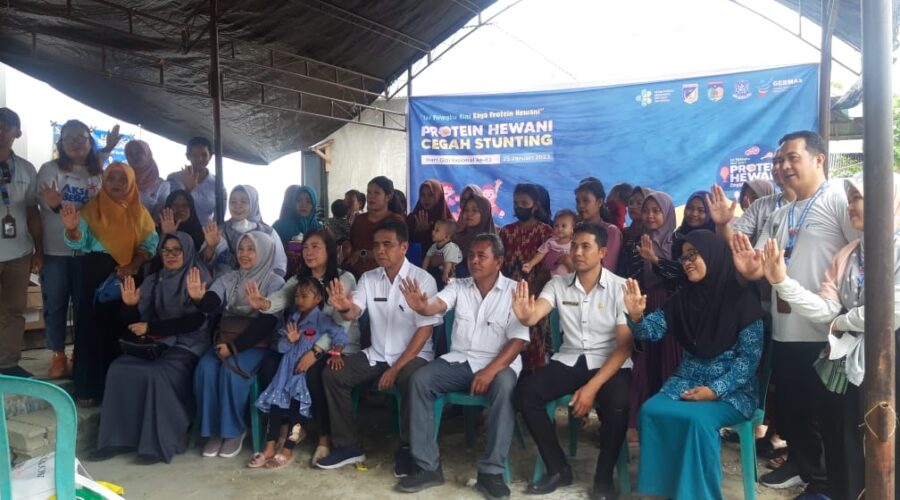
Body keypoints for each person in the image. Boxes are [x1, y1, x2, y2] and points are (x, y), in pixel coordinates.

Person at [729, 130, 858, 497]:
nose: (784, 166)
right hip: (786, 328)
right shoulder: (781, 213)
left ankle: (831, 485)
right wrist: (748, 266)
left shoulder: (838, 201)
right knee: (795, 410)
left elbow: (861, 255)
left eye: (792, 158)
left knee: (829, 417)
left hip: (826, 331)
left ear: (819, 159)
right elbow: (760, 265)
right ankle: (808, 473)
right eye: (779, 160)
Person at [758, 172, 900, 500]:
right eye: (850, 198)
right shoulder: (849, 254)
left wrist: (843, 321)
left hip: (891, 355)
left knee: (887, 439)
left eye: (858, 197)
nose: (851, 205)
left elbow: (891, 310)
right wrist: (782, 282)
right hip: (849, 361)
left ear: (887, 199)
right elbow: (825, 309)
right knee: (843, 437)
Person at [623, 230, 764, 500]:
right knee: (650, 410)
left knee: (698, 422)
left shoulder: (742, 299)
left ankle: (699, 495)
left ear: (713, 255)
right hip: (687, 382)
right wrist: (637, 317)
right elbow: (651, 331)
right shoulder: (682, 298)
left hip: (733, 390)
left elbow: (749, 359)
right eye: (684, 257)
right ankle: (663, 491)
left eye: (693, 254)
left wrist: (714, 390)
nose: (687, 262)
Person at [396, 233, 529, 499]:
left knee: (504, 386)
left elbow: (518, 342)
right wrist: (422, 306)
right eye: (471, 256)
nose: (474, 261)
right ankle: (427, 467)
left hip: (498, 364)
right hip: (460, 361)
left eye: (481, 256)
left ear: (498, 261)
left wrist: (489, 371)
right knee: (420, 380)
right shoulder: (458, 286)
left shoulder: (515, 292)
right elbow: (437, 304)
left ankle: (491, 472)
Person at [512, 223, 632, 499]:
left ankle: (603, 479)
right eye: (574, 246)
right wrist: (526, 315)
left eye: (585, 246)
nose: (577, 252)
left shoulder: (621, 287)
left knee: (618, 404)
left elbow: (624, 347)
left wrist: (591, 388)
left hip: (610, 363)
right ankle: (558, 468)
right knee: (526, 393)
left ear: (602, 252)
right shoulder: (558, 284)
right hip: (570, 359)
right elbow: (535, 313)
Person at [316, 220, 440, 475]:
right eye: (376, 245)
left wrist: (396, 369)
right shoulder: (369, 278)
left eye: (387, 244)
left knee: (411, 379)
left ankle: (409, 448)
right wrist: (344, 307)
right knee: (333, 374)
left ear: (404, 247)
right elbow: (355, 310)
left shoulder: (423, 280)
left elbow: (425, 330)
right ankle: (348, 446)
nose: (380, 250)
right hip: (378, 354)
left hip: (414, 356)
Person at [89, 232, 210, 464]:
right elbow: (136, 321)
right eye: (166, 250)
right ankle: (116, 440)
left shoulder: (197, 277)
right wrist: (130, 306)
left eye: (177, 250)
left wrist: (152, 327)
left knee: (157, 374)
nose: (171, 255)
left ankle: (157, 444)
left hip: (188, 345)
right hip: (156, 343)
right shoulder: (154, 279)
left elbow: (196, 321)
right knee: (118, 369)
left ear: (187, 251)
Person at [246, 228, 361, 464]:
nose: (309, 252)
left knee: (314, 373)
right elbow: (281, 297)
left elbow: (340, 324)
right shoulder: (299, 280)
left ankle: (324, 438)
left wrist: (315, 353)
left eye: (315, 247)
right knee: (270, 365)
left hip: (336, 348)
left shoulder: (343, 279)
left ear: (330, 250)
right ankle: (288, 429)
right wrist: (264, 303)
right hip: (299, 345)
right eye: (305, 247)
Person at [61, 162, 159, 406]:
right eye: (111, 178)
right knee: (91, 329)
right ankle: (88, 388)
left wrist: (133, 266)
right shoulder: (91, 210)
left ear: (131, 182)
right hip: (96, 274)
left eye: (122, 179)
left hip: (128, 276)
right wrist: (72, 230)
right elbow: (78, 242)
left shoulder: (140, 212)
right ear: (104, 181)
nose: (117, 183)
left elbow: (149, 245)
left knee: (122, 328)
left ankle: (116, 392)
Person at [190, 232, 285, 459]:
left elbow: (266, 324)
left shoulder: (275, 282)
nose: (244, 254)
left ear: (264, 252)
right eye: (241, 248)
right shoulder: (229, 278)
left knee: (232, 372)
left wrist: (233, 348)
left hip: (257, 344)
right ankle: (214, 430)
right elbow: (211, 301)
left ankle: (234, 429)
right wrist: (199, 299)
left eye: (251, 249)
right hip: (225, 339)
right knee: (205, 368)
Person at [251, 277, 349, 470]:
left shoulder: (322, 319)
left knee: (297, 413)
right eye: (296, 296)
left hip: (301, 376)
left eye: (305, 296)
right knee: (276, 407)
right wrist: (290, 340)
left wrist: (336, 353)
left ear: (318, 298)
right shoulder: (293, 319)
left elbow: (340, 335)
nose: (299, 300)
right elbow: (281, 347)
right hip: (284, 373)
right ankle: (269, 447)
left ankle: (288, 449)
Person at [37, 119, 108, 379]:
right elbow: (46, 204)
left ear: (90, 142)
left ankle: (81, 352)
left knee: (84, 306)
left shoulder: (98, 174)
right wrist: (57, 205)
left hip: (88, 252)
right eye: (69, 138)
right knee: (55, 303)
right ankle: (58, 354)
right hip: (56, 251)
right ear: (61, 143)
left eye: (82, 138)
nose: (76, 143)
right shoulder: (50, 169)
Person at [617, 191, 681, 434]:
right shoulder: (635, 242)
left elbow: (681, 276)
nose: (650, 215)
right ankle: (641, 422)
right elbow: (626, 274)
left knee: (669, 359)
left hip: (671, 308)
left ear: (667, 213)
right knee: (644, 360)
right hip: (642, 305)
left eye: (656, 211)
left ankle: (670, 421)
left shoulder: (679, 242)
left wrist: (655, 260)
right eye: (646, 210)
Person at [0, 107, 41, 378]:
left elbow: (32, 212)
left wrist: (39, 250)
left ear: (18, 132)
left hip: (19, 252)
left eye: (7, 127)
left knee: (13, 310)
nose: (1, 131)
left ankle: (7, 363)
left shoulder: (26, 169)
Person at [500, 183, 554, 373]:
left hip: (535, 298)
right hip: (508, 296)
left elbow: (548, 267)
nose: (519, 207)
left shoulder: (546, 232)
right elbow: (500, 264)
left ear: (536, 205)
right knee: (509, 342)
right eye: (516, 203)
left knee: (534, 343)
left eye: (524, 203)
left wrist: (533, 291)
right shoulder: (506, 231)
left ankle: (532, 385)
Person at [202, 185, 288, 277]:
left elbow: (279, 266)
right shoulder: (218, 231)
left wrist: (263, 281)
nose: (237, 206)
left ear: (253, 203)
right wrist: (210, 247)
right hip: (224, 283)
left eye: (243, 202)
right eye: (233, 202)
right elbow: (204, 264)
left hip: (259, 284)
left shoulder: (268, 232)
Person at [638, 191, 715, 287]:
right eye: (689, 208)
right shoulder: (678, 236)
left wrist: (655, 259)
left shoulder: (714, 241)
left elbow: (684, 272)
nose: (694, 213)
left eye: (701, 210)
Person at [347, 176, 406, 277]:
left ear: (388, 197)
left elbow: (394, 250)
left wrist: (363, 253)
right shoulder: (359, 219)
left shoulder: (395, 220)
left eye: (377, 193)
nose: (371, 197)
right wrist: (346, 246)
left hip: (385, 275)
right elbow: (352, 245)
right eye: (369, 192)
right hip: (357, 275)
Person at [165, 137, 226, 224]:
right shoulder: (174, 178)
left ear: (210, 156)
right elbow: (169, 208)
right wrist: (188, 190)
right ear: (188, 156)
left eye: (204, 155)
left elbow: (220, 216)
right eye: (195, 155)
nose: (200, 159)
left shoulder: (217, 183)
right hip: (179, 229)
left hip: (206, 231)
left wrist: (212, 230)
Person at [574, 179, 623, 272]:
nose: (580, 206)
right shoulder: (574, 229)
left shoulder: (611, 232)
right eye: (578, 201)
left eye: (585, 200)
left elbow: (606, 270)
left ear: (599, 202)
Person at [452, 194, 497, 279]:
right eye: (466, 210)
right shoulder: (456, 238)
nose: (469, 214)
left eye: (475, 210)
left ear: (484, 213)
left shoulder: (492, 244)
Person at [522, 209, 576, 277]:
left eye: (563, 226)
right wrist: (530, 264)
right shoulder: (551, 242)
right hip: (556, 278)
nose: (559, 229)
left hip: (572, 277)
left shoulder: (574, 242)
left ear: (572, 229)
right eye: (556, 226)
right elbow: (541, 254)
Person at [125, 139, 169, 220]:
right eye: (130, 154)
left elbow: (161, 216)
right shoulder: (122, 180)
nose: (135, 157)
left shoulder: (162, 185)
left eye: (139, 152)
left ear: (148, 154)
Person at [407, 179, 453, 253]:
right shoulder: (413, 218)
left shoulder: (448, 221)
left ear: (439, 196)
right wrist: (418, 232)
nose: (426, 199)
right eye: (423, 195)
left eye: (430, 195)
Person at [422, 219, 462, 287]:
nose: (433, 232)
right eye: (434, 229)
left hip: (455, 268)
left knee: (450, 280)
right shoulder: (434, 246)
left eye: (437, 231)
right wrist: (423, 271)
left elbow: (449, 262)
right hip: (442, 267)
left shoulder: (450, 247)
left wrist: (445, 274)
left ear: (446, 237)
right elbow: (427, 257)